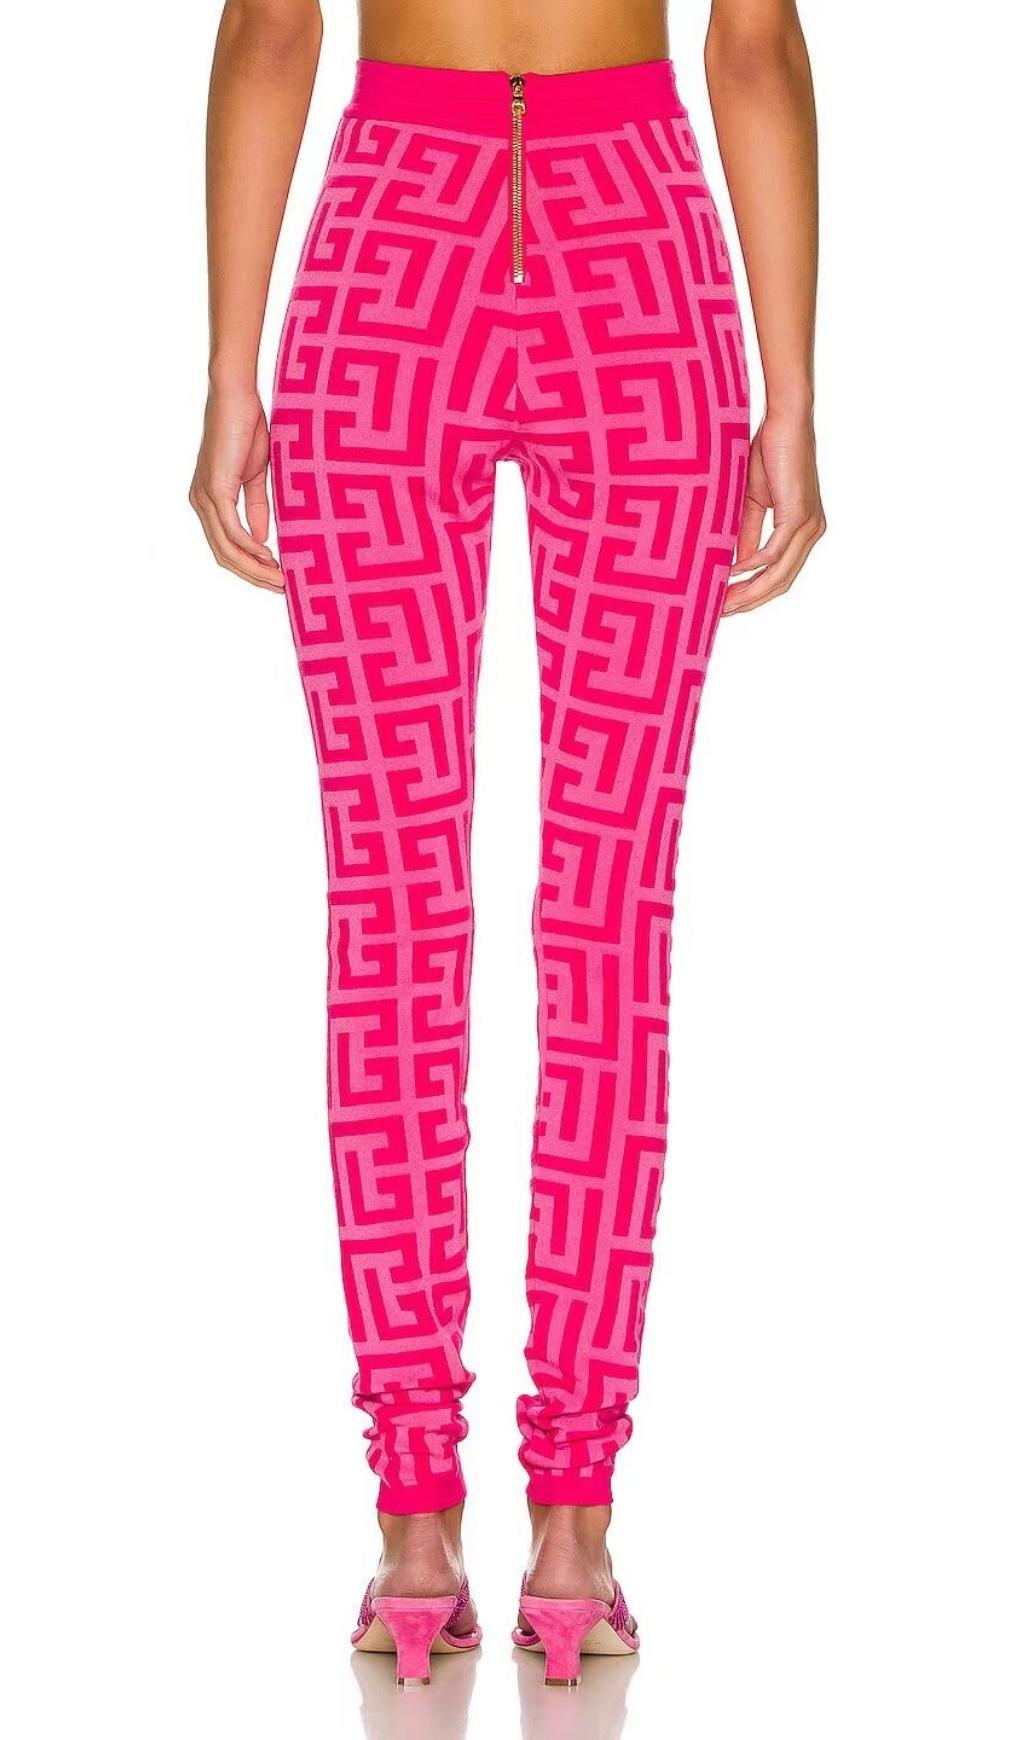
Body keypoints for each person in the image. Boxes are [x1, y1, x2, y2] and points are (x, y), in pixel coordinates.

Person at [190, 0, 825, 1689]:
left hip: (391, 237)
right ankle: (573, 1532)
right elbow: (753, 42)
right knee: (610, 913)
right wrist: (791, 390)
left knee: (392, 909)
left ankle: (415, 1528)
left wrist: (232, 368)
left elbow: (272, 23)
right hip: (643, 258)